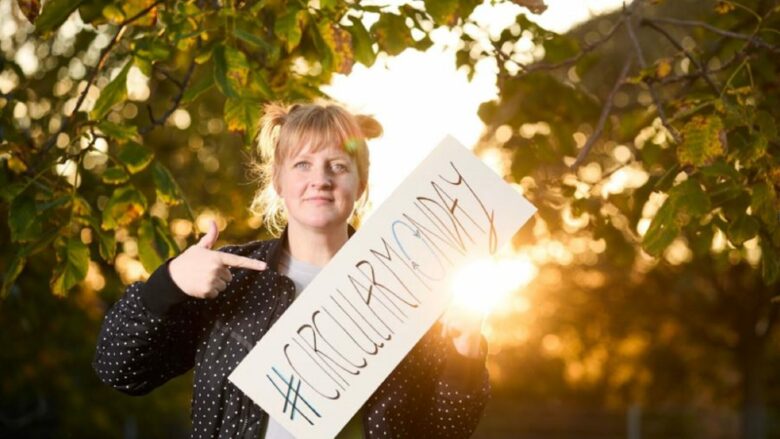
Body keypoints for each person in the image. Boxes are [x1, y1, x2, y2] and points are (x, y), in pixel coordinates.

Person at [93, 101, 490, 438]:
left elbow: (444, 431)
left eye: (338, 166)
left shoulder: (413, 292)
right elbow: (119, 369)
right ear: (278, 182)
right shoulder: (231, 279)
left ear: (361, 184)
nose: (320, 179)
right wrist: (170, 282)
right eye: (302, 164)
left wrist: (465, 355)